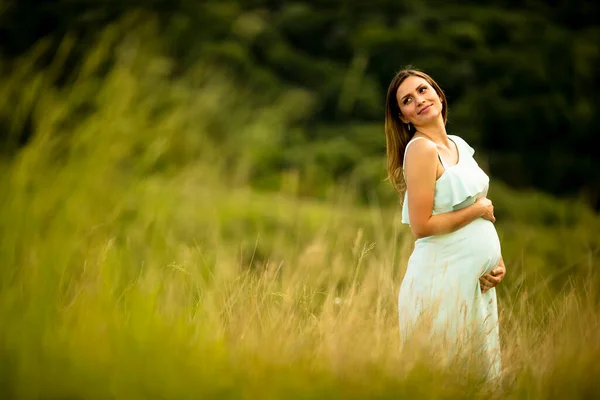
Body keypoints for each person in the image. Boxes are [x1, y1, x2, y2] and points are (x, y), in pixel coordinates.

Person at [384, 68, 507, 379]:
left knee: (478, 376)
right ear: (403, 117)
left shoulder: (458, 145)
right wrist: (477, 210)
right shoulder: (421, 149)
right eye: (408, 100)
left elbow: (478, 206)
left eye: (424, 90)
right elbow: (421, 225)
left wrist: (497, 262)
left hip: (474, 283)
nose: (420, 100)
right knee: (446, 377)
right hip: (441, 282)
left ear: (438, 94)